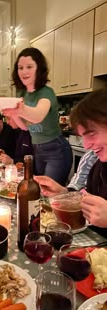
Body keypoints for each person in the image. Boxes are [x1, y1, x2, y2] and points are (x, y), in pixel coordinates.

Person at [35, 88, 107, 232]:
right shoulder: (98, 166)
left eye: (91, 134)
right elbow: (87, 202)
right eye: (82, 137)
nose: (86, 145)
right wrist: (63, 194)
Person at [2, 47, 72, 186]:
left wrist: (19, 110)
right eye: (20, 68)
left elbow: (38, 116)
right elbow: (24, 127)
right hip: (37, 150)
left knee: (50, 194)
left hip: (56, 150)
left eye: (29, 67)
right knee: (38, 192)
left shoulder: (46, 92)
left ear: (38, 69)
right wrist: (13, 114)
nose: (24, 71)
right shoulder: (23, 94)